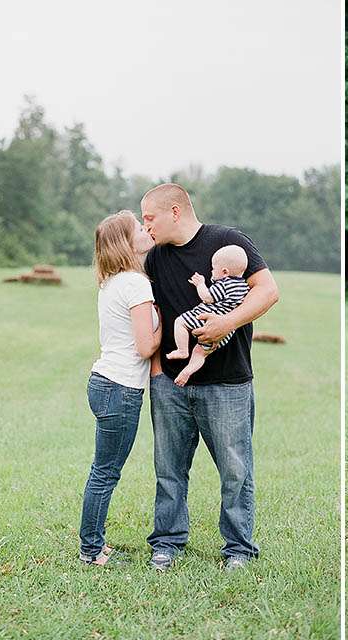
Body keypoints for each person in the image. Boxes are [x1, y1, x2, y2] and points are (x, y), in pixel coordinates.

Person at [140, 183, 279, 572]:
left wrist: (227, 323)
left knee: (236, 472)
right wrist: (156, 374)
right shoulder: (155, 259)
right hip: (170, 383)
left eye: (149, 218)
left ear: (175, 212)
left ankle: (238, 549)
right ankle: (166, 544)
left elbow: (268, 291)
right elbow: (156, 315)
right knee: (168, 470)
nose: (145, 225)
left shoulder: (228, 242)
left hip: (227, 384)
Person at [79, 210, 160, 566]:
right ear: (127, 243)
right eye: (139, 228)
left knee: (102, 469)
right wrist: (173, 323)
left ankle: (94, 543)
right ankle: (91, 550)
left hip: (104, 382)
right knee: (105, 472)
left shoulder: (113, 281)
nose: (146, 230)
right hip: (121, 387)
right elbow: (145, 347)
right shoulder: (136, 283)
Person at [166, 244, 250, 386]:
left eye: (213, 268)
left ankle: (182, 350)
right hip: (224, 333)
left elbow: (207, 297)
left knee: (180, 322)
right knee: (200, 352)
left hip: (206, 320)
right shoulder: (243, 287)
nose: (211, 271)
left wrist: (200, 284)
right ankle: (188, 371)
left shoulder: (224, 284)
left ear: (224, 272)